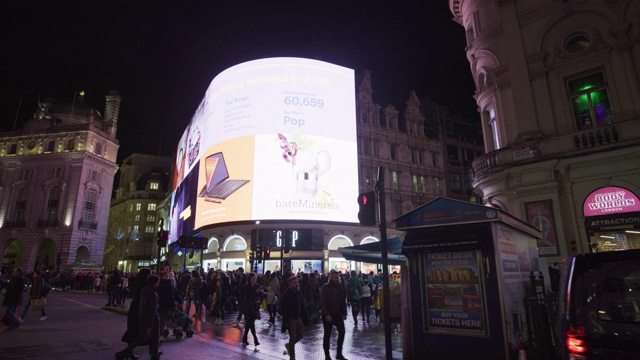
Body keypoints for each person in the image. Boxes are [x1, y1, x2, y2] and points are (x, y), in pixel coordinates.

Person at [117, 274, 162, 360]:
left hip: (142, 318)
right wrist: (149, 325)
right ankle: (154, 355)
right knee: (153, 337)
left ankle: (125, 352)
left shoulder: (144, 290)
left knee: (142, 338)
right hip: (152, 320)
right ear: (155, 283)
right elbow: (151, 311)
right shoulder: (153, 294)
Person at [320, 270, 348, 360]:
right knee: (327, 334)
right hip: (328, 314)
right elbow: (323, 302)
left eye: (337, 278)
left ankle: (339, 353)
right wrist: (327, 314)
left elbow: (342, 300)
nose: (336, 279)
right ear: (330, 277)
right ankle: (327, 355)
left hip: (338, 313)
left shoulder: (340, 287)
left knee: (342, 332)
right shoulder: (326, 287)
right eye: (335, 277)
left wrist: (344, 312)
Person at [280, 275, 308, 360]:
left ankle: (289, 345)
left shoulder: (299, 293)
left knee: (301, 335)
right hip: (290, 318)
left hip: (298, 317)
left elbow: (302, 306)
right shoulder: (287, 294)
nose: (296, 284)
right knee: (292, 337)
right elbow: (283, 309)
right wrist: (285, 321)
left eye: (297, 282)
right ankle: (292, 356)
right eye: (294, 283)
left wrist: (305, 318)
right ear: (290, 284)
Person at [157, 271, 182, 338]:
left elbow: (176, 293)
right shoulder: (159, 285)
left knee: (165, 320)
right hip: (162, 306)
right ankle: (160, 335)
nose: (167, 277)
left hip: (169, 306)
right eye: (165, 276)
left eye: (168, 276)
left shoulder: (170, 285)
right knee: (162, 321)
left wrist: (180, 301)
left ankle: (161, 334)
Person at [241, 272, 263, 346]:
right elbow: (248, 294)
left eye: (255, 278)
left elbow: (260, 295)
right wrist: (256, 291)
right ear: (249, 279)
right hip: (248, 306)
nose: (254, 280)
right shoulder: (247, 286)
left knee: (249, 323)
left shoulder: (257, 285)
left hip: (254, 306)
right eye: (253, 278)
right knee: (251, 323)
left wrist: (261, 292)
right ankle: (255, 339)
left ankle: (245, 338)